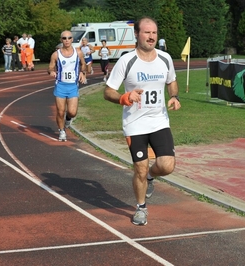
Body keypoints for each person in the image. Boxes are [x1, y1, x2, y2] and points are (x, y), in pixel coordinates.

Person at [103, 17, 181, 226]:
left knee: (167, 166)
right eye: (146, 32)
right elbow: (108, 91)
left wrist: (174, 96)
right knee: (140, 167)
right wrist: (123, 98)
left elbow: (171, 81)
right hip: (134, 123)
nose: (151, 36)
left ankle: (149, 178)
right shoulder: (126, 60)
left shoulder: (165, 58)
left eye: (154, 32)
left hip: (159, 121)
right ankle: (141, 208)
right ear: (136, 35)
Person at [48, 30, 87, 141]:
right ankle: (61, 131)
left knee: (72, 112)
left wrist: (82, 73)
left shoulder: (78, 52)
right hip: (60, 85)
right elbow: (50, 67)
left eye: (69, 38)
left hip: (73, 86)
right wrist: (51, 71)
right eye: (64, 38)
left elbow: (83, 64)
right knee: (60, 111)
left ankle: (68, 119)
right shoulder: (56, 54)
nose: (67, 40)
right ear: (61, 40)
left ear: (72, 39)